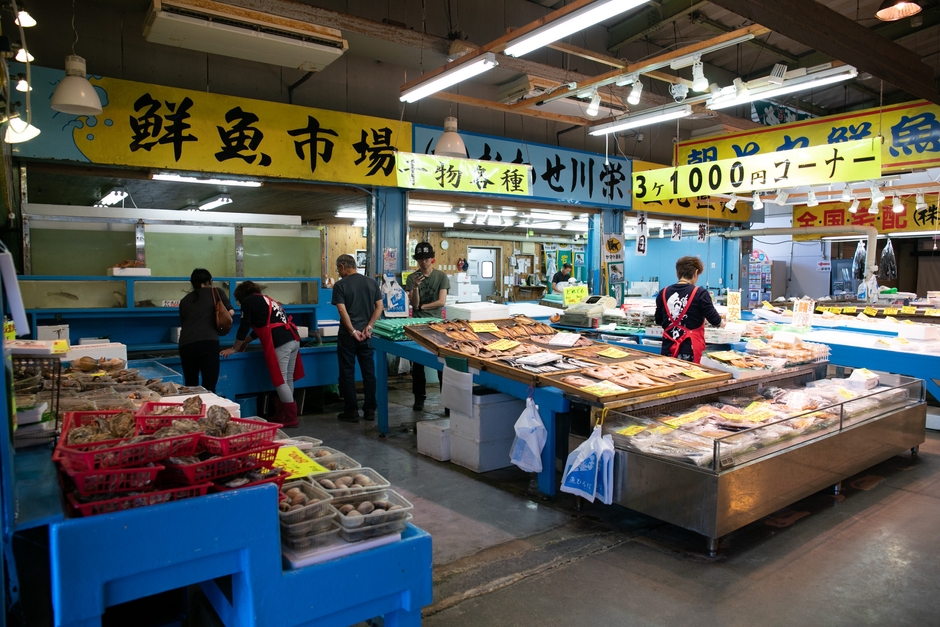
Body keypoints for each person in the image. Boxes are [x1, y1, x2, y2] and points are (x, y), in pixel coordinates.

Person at [221, 281, 304, 427]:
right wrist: (246, 341)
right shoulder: (266, 299)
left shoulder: (248, 301)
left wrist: (234, 348)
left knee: (281, 380)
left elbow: (244, 326)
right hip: (293, 338)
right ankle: (285, 413)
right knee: (288, 378)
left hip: (280, 342)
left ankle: (290, 418)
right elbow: (261, 326)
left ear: (242, 296)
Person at [332, 254, 383, 423]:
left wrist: (353, 331)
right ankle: (370, 410)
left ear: (342, 266)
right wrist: (369, 326)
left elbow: (342, 310)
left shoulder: (340, 285)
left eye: (338, 269)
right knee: (368, 372)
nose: (338, 273)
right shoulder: (371, 283)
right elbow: (379, 307)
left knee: (347, 373)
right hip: (367, 335)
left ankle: (351, 411)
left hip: (348, 337)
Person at [404, 242, 450, 411]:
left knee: (441, 364)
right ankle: (419, 398)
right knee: (417, 365)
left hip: (437, 324)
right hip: (417, 324)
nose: (423, 262)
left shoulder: (441, 276)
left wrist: (422, 307)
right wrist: (415, 287)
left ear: (433, 259)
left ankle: (447, 402)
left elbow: (442, 302)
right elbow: (413, 304)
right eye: (420, 259)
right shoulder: (411, 278)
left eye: (426, 258)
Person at [654, 256, 722, 364]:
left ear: (677, 273)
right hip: (690, 349)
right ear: (696, 273)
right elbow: (715, 320)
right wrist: (722, 323)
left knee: (670, 376)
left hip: (668, 347)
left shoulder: (663, 292)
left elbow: (658, 320)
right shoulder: (700, 293)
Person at [178, 269, 233, 393]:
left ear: (192, 283)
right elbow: (230, 313)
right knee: (209, 386)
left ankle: (193, 411)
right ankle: (207, 411)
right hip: (208, 342)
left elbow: (184, 322)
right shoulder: (216, 292)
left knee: (191, 386)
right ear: (210, 280)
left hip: (186, 345)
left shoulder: (184, 300)